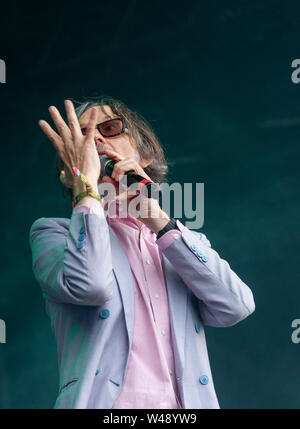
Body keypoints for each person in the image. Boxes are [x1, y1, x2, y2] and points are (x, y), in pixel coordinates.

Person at [29, 97, 255, 409]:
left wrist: (158, 220)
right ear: (68, 169)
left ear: (144, 155)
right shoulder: (53, 234)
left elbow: (236, 305)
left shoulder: (180, 243)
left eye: (109, 128)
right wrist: (86, 188)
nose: (95, 138)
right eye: (82, 137)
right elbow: (90, 284)